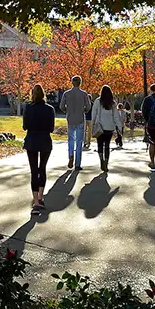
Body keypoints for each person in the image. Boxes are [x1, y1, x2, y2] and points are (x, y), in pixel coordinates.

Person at [21, 84, 55, 215]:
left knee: (34, 170)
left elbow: (25, 126)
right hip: (45, 140)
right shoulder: (50, 109)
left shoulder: (28, 108)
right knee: (42, 169)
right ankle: (41, 196)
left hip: (32, 140)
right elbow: (51, 128)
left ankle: (35, 201)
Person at [59, 76, 91, 170]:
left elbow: (61, 106)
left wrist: (66, 110)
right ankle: (77, 164)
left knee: (70, 139)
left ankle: (70, 155)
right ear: (80, 83)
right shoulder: (84, 94)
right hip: (80, 118)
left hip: (70, 118)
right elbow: (88, 107)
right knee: (79, 141)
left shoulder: (66, 94)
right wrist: (83, 110)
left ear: (72, 83)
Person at [89, 85, 122, 172]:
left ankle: (101, 161)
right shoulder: (113, 103)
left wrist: (93, 124)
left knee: (100, 145)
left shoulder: (97, 101)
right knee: (107, 146)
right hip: (109, 128)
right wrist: (119, 127)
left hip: (100, 127)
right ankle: (106, 163)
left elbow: (94, 114)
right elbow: (116, 117)